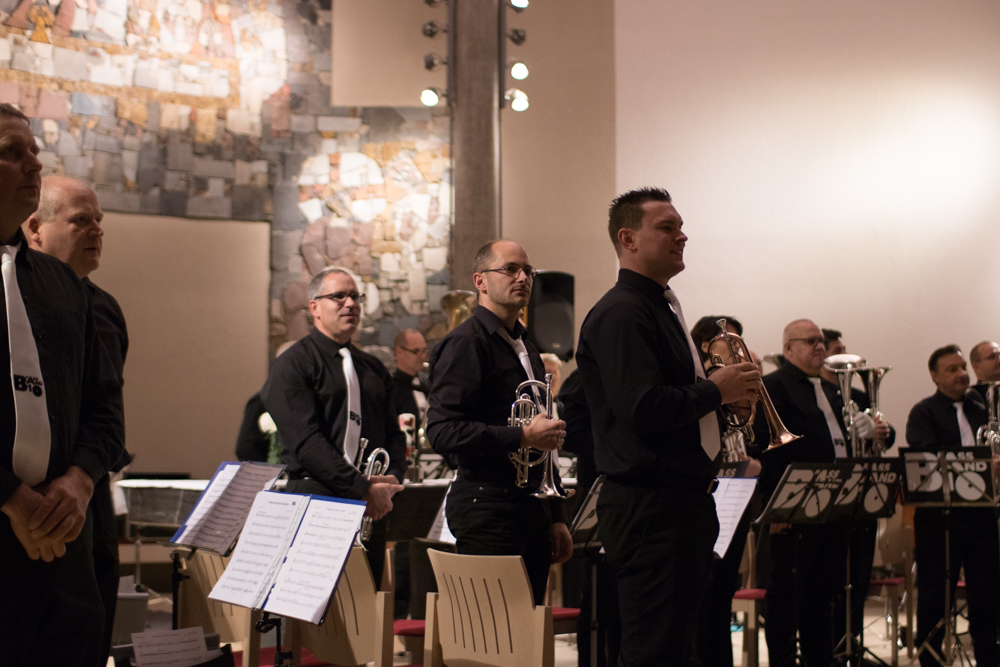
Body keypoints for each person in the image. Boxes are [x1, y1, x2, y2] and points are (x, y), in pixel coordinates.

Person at [575, 187, 761, 667]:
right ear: (628, 239)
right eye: (667, 227)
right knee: (652, 652)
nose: (682, 236)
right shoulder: (623, 311)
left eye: (680, 226)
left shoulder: (659, 306)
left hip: (678, 503)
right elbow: (641, 408)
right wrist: (716, 390)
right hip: (650, 507)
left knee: (676, 649)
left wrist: (728, 400)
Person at [0, 103, 125, 665]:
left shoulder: (64, 285)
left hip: (62, 542)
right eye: (12, 152)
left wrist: (78, 481)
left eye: (33, 150)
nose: (34, 163)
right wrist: (11, 498)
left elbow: (104, 407)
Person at [426, 239, 573, 605]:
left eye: (527, 271)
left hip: (530, 508)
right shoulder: (465, 343)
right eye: (510, 269)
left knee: (526, 627)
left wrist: (556, 515)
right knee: (494, 631)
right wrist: (522, 436)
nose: (522, 277)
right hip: (487, 506)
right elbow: (442, 432)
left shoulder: (526, 346)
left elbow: (543, 441)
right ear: (481, 281)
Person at [23, 175, 131, 665]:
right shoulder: (14, 292)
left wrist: (83, 477)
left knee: (87, 625)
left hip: (87, 491)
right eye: (80, 220)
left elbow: (107, 404)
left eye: (99, 221)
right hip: (26, 495)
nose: (96, 231)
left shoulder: (104, 307)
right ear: (35, 228)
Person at [754, 318, 890, 667]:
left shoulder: (832, 390)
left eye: (821, 342)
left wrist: (866, 431)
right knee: (786, 597)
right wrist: (776, 507)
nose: (820, 346)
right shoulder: (774, 386)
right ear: (788, 348)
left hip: (835, 507)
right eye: (810, 341)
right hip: (794, 508)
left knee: (823, 595)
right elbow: (765, 449)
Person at [262, 266, 406, 584]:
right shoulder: (293, 364)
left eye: (355, 296)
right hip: (315, 500)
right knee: (312, 602)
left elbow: (394, 435)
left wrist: (392, 479)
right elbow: (306, 442)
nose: (350, 303)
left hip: (370, 506)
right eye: (338, 296)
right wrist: (362, 488)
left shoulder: (373, 368)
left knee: (365, 601)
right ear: (314, 307)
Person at [906, 345, 999, 667]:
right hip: (939, 517)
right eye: (951, 369)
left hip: (981, 513)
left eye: (963, 367)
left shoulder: (982, 408)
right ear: (935, 376)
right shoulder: (923, 412)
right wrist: (983, 464)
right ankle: (932, 658)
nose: (961, 374)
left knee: (986, 589)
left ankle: (988, 656)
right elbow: (927, 456)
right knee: (935, 590)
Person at [688, 314, 763, 667]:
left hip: (737, 497)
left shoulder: (733, 383)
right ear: (707, 346)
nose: (739, 351)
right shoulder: (699, 383)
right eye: (731, 343)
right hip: (708, 493)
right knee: (704, 598)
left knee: (722, 596)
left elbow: (746, 432)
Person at [392, 328, 430, 424]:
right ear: (399, 352)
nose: (423, 356)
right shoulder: (390, 388)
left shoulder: (428, 383)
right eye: (416, 351)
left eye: (424, 351)